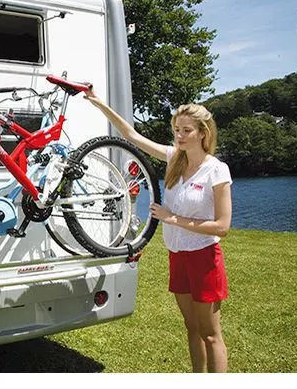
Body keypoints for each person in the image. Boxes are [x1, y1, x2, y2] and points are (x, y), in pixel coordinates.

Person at [85, 89, 232, 373]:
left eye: (187, 130)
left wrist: (172, 218)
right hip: (177, 255)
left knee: (210, 334)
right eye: (177, 129)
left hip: (204, 257)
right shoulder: (174, 158)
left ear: (203, 133)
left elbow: (222, 226)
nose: (180, 135)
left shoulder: (216, 170)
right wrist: (99, 102)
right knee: (191, 328)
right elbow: (131, 135)